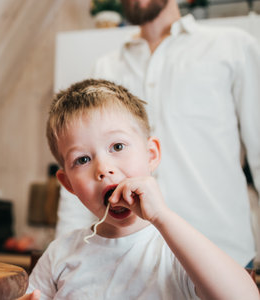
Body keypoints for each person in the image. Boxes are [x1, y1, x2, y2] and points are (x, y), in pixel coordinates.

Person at [55, 0, 260, 268]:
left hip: (223, 255)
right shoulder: (105, 67)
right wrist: (63, 256)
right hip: (130, 265)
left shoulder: (233, 47)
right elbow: (79, 169)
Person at [23, 79, 259, 299]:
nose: (103, 169)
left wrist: (162, 217)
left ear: (151, 154)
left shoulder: (178, 248)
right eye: (83, 160)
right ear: (68, 184)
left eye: (117, 146)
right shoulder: (60, 253)